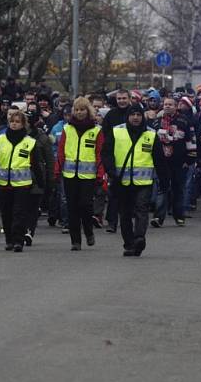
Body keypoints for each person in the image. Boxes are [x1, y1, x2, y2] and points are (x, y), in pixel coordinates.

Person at [101, 104, 166, 257]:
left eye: (138, 114)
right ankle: (129, 244)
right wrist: (110, 171)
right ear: (128, 116)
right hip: (121, 181)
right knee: (124, 213)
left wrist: (164, 180)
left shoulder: (150, 134)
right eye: (132, 115)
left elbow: (159, 160)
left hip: (143, 182)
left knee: (141, 210)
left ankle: (139, 237)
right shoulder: (117, 132)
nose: (135, 117)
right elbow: (106, 153)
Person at [0, 110, 45, 252]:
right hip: (3, 183)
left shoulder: (30, 143)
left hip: (22, 184)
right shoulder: (0, 139)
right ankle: (9, 240)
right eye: (12, 121)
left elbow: (36, 164)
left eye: (17, 122)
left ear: (23, 124)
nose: (14, 124)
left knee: (19, 213)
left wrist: (42, 182)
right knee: (6, 213)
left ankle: (18, 241)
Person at [56, 97, 104, 250]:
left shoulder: (96, 131)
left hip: (88, 176)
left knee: (85, 205)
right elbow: (61, 151)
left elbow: (99, 154)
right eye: (77, 110)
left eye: (82, 109)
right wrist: (57, 170)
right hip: (70, 175)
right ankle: (75, 240)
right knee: (72, 208)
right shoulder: (67, 129)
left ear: (88, 111)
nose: (79, 112)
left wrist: (100, 174)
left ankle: (89, 231)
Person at [152, 96, 192, 227]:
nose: (167, 106)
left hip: (179, 161)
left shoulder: (184, 121)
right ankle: (158, 217)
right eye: (165, 104)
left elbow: (191, 141)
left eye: (170, 104)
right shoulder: (156, 122)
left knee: (178, 189)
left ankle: (179, 216)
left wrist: (189, 159)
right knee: (162, 189)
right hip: (161, 161)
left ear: (176, 106)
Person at [23, 105, 54, 246]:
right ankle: (21, 230)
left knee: (33, 207)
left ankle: (29, 230)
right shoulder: (18, 137)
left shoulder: (42, 139)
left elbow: (49, 160)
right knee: (21, 206)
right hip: (21, 177)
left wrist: (50, 180)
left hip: (37, 178)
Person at [101, 89, 132, 233]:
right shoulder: (111, 115)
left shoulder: (134, 113)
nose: (121, 101)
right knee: (113, 193)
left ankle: (128, 220)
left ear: (129, 98)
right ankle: (112, 222)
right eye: (119, 98)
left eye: (124, 98)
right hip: (114, 158)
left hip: (132, 159)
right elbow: (105, 136)